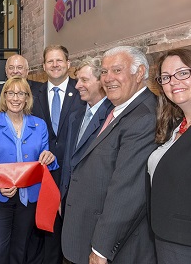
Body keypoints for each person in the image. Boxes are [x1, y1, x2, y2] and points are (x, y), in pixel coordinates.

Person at [62, 46, 157, 264]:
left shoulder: (143, 117)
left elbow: (127, 190)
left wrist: (101, 249)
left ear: (140, 73)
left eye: (116, 70)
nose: (108, 78)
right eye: (104, 72)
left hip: (113, 245)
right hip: (87, 231)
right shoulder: (120, 110)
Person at [0, 76, 58, 264]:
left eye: (20, 93)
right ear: (4, 97)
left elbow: (45, 163)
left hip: (29, 198)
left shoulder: (39, 125)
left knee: (20, 249)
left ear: (27, 98)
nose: (15, 98)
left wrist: (51, 158)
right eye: (11, 93)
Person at [30, 44, 84, 264]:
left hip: (75, 171)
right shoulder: (34, 95)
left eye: (59, 60)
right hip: (44, 174)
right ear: (44, 66)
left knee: (73, 230)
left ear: (68, 64)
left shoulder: (81, 91)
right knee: (47, 229)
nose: (54, 65)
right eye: (50, 61)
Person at [148, 49, 191, 263]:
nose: (174, 81)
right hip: (166, 239)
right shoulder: (175, 127)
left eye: (183, 73)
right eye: (166, 77)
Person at [59, 57, 113, 210]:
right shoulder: (75, 117)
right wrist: (62, 196)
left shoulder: (113, 116)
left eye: (84, 80)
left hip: (96, 205)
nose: (77, 86)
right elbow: (68, 161)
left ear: (101, 81)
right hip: (71, 202)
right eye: (77, 80)